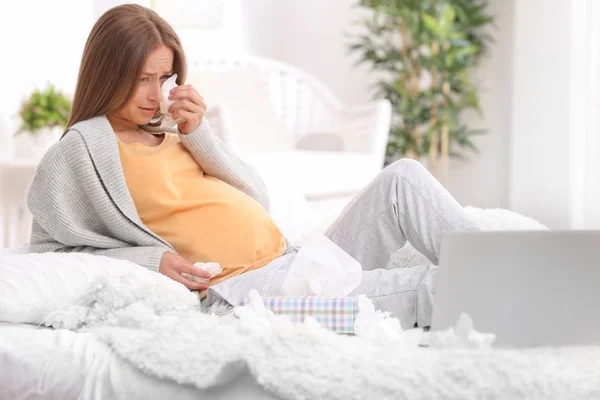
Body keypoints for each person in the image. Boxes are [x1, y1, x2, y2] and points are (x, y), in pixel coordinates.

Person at [26, 4, 479, 328]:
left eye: (163, 78)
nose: (154, 93)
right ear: (107, 72)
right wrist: (149, 260)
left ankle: (511, 268)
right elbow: (51, 254)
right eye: (142, 79)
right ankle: (519, 292)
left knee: (404, 178)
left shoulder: (173, 130)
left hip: (298, 259)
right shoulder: (79, 152)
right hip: (254, 295)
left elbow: (256, 196)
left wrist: (199, 133)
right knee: (432, 286)